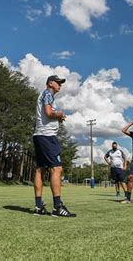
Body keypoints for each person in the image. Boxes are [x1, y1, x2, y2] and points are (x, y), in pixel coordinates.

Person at [32, 75, 76, 217]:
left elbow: (48, 115)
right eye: (58, 83)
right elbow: (48, 113)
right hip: (47, 136)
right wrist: (59, 114)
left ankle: (38, 206)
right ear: (50, 83)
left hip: (40, 135)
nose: (60, 85)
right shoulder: (48, 94)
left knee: (40, 170)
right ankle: (57, 207)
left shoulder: (45, 95)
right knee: (56, 168)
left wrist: (58, 118)